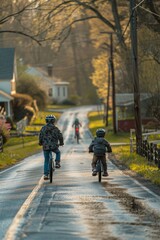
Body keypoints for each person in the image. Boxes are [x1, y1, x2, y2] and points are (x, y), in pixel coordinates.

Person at [39, 115, 64, 180]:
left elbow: (40, 136)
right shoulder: (55, 128)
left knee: (46, 160)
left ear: (46, 121)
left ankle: (45, 175)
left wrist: (40, 142)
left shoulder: (43, 128)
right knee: (58, 152)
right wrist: (61, 143)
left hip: (46, 146)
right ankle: (57, 163)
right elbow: (60, 136)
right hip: (54, 146)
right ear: (53, 121)